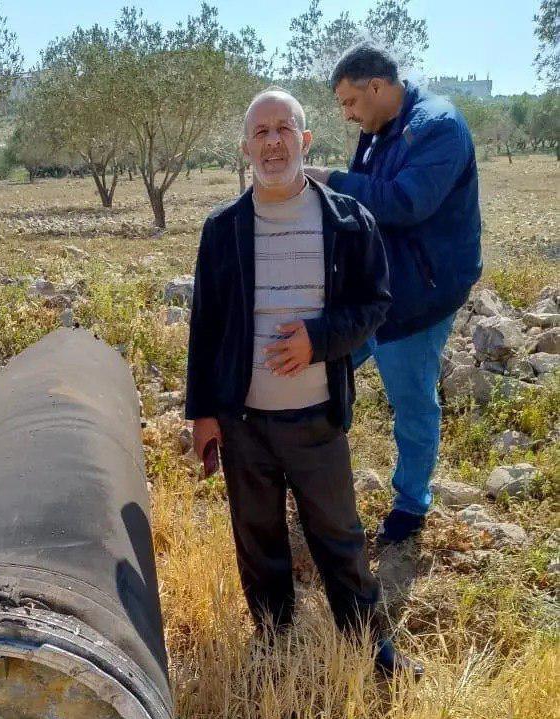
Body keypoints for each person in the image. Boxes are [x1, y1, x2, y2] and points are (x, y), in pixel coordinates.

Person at [186, 87, 421, 678]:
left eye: (283, 129)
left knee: (339, 537)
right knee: (258, 539)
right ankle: (273, 641)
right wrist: (204, 413)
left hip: (316, 417)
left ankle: (372, 650)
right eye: (260, 133)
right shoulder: (223, 231)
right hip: (244, 422)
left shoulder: (347, 221)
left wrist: (318, 339)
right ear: (246, 148)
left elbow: (375, 304)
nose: (273, 142)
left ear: (306, 139)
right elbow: (206, 328)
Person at [305, 44, 482, 544]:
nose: (347, 114)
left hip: (419, 294)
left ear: (378, 88)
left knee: (411, 402)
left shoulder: (437, 128)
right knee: (325, 370)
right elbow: (362, 204)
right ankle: (314, 476)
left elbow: (405, 203)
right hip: (376, 288)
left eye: (349, 102)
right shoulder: (376, 130)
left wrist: (330, 180)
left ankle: (410, 506)